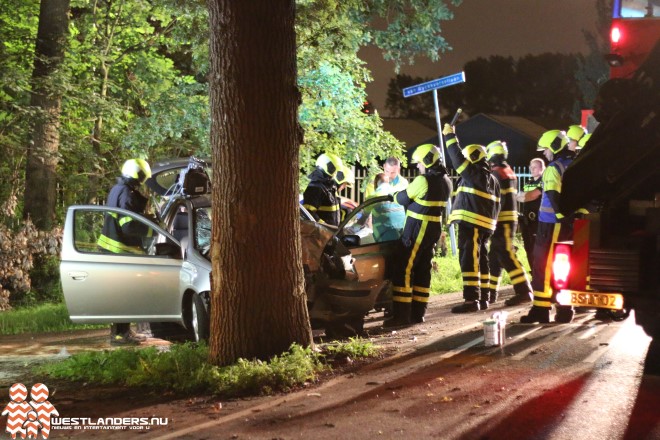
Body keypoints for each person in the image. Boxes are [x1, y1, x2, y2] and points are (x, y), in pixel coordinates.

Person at [384, 144, 452, 327]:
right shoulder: (447, 180)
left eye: (420, 163)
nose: (418, 167)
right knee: (423, 269)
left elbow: (403, 199)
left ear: (428, 162)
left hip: (417, 229)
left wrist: (394, 194)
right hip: (433, 229)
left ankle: (401, 315)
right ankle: (418, 313)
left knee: (404, 269)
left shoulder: (423, 180)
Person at [520, 130, 577, 324]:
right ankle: (565, 309)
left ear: (553, 147)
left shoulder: (553, 168)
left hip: (551, 224)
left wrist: (560, 217)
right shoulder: (573, 163)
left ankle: (541, 309)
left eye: (545, 150)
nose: (544, 154)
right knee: (565, 268)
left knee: (542, 266)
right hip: (568, 225)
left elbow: (553, 196)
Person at [443, 125, 501, 314]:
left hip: (472, 224)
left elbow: (457, 159)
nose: (465, 163)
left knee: (469, 260)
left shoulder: (475, 174)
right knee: (481, 260)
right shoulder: (491, 179)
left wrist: (450, 136)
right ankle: (483, 297)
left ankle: (471, 300)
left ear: (474, 158)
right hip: (484, 226)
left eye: (468, 159)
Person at [98, 158, 153, 344]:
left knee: (119, 293)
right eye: (142, 176)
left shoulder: (117, 189)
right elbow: (128, 227)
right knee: (126, 293)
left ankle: (119, 332)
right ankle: (123, 334)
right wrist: (150, 228)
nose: (142, 181)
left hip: (110, 248)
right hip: (119, 250)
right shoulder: (127, 194)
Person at [484, 141, 533, 308]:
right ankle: (491, 293)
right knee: (495, 256)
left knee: (506, 255)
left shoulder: (497, 173)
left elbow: (498, 199)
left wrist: (491, 219)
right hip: (508, 219)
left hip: (502, 220)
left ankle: (524, 291)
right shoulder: (509, 171)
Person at [516, 158, 545, 269]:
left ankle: (538, 272)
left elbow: (529, 196)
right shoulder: (529, 182)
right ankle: (533, 272)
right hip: (527, 222)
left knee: (536, 249)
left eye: (535, 167)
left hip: (538, 221)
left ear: (542, 168)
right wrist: (524, 196)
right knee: (528, 248)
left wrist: (524, 196)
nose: (532, 169)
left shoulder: (543, 181)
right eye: (530, 167)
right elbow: (520, 197)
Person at [303, 153, 344, 226]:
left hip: (331, 233)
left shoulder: (331, 186)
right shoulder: (315, 188)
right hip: (320, 234)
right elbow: (308, 214)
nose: (334, 172)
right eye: (333, 168)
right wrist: (325, 226)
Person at [369, 172, 406, 242]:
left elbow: (366, 219)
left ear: (376, 183)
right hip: (402, 231)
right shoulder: (396, 192)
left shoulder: (374, 195)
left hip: (385, 235)